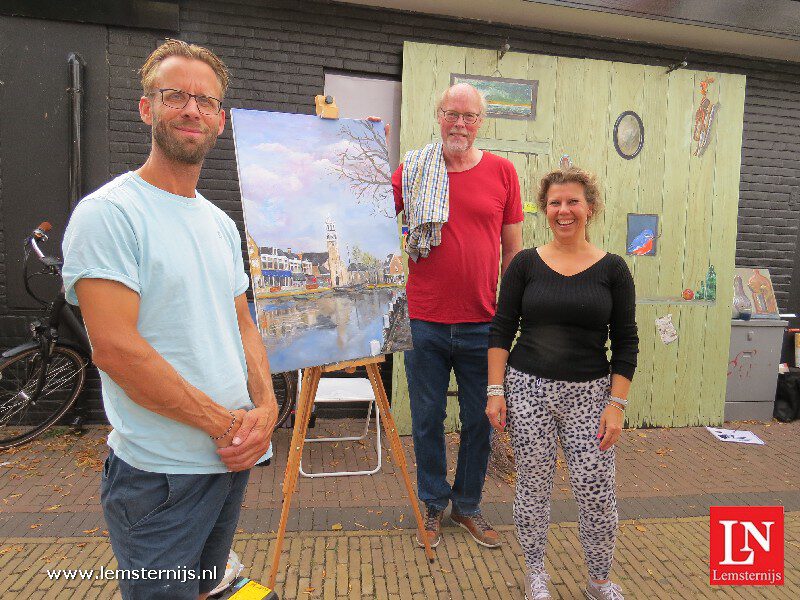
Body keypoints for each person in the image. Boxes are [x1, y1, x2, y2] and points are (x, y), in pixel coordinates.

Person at [62, 39, 278, 600]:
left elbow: (242, 324)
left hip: (228, 463)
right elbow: (114, 349)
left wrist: (267, 405)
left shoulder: (218, 223)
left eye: (205, 102)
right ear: (146, 108)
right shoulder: (110, 214)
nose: (191, 110)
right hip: (161, 478)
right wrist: (222, 425)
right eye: (175, 96)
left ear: (220, 120)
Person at [486, 167, 638, 600]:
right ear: (545, 209)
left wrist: (616, 405)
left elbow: (626, 341)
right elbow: (501, 328)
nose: (563, 210)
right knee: (533, 486)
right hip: (527, 390)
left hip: (590, 395)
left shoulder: (613, 269)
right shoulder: (525, 265)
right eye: (555, 202)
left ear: (590, 208)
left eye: (572, 201)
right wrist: (496, 391)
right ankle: (537, 573)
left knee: (596, 491)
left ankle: (598, 580)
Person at [392, 83, 524, 549]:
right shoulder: (413, 169)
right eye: (452, 114)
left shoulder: (503, 172)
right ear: (439, 115)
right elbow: (372, 218)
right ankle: (432, 503)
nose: (460, 124)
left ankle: (466, 505)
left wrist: (510, 318)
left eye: (469, 117)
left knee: (479, 420)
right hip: (423, 319)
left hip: (482, 323)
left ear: (481, 121)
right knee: (426, 418)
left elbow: (513, 253)